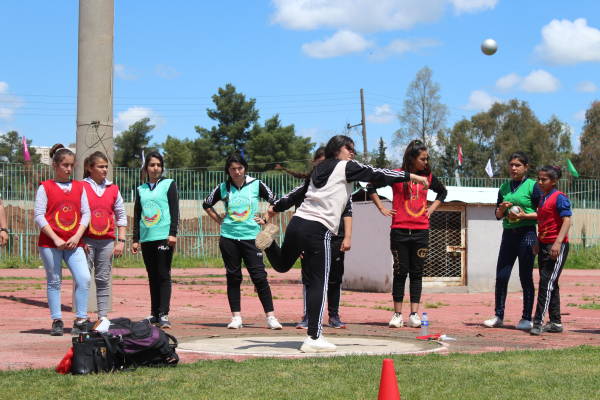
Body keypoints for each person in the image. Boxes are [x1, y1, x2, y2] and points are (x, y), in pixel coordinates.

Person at [258, 135, 429, 352]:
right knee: (319, 283)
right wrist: (412, 176)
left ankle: (268, 241)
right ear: (337, 149)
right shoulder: (346, 166)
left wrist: (276, 207)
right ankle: (314, 337)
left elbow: (297, 194)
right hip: (318, 229)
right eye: (349, 148)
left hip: (297, 224)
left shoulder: (318, 170)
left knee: (282, 265)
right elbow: (377, 173)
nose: (353, 152)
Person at [367, 139, 447, 329]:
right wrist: (381, 208)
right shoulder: (396, 175)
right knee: (400, 272)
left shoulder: (428, 177)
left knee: (417, 273)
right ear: (412, 158)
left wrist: (431, 209)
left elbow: (443, 192)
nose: (426, 162)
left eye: (427, 159)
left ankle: (414, 315)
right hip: (399, 231)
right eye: (422, 159)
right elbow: (370, 186)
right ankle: (397, 315)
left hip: (421, 231)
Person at [203, 152, 283, 330]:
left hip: (251, 238)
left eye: (240, 168)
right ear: (228, 170)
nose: (237, 172)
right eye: (233, 169)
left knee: (259, 277)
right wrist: (219, 220)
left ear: (245, 168)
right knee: (233, 277)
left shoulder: (256, 184)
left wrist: (265, 218)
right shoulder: (223, 187)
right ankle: (236, 317)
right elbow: (206, 204)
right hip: (228, 238)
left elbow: (276, 201)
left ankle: (271, 317)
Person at [276, 147, 352, 329]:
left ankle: (334, 316)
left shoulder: (341, 185)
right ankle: (309, 317)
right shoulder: (307, 185)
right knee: (311, 279)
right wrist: (269, 212)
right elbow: (284, 202)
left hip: (334, 237)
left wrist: (347, 237)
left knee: (334, 278)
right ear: (314, 163)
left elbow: (348, 211)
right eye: (321, 162)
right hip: (311, 238)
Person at [34, 144, 91, 336]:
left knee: (84, 278)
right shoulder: (45, 187)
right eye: (65, 165)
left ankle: (81, 320)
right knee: (54, 281)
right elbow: (39, 215)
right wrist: (56, 238)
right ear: (55, 165)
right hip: (50, 243)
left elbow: (86, 213)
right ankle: (56, 320)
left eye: (71, 165)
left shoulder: (80, 187)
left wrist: (77, 236)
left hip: (74, 243)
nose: (68, 169)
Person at [483, 152, 541, 330]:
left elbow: (543, 213)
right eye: (511, 165)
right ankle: (498, 316)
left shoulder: (533, 186)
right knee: (502, 276)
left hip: (527, 234)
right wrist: (501, 208)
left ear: (526, 167)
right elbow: (497, 215)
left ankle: (526, 318)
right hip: (509, 235)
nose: (514, 168)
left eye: (518, 165)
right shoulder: (504, 187)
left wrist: (524, 216)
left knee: (525, 277)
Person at [131, 151, 179, 329]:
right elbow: (137, 214)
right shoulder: (141, 189)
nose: (155, 168)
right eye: (152, 165)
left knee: (163, 274)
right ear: (146, 168)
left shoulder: (169, 184)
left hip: (164, 237)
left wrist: (172, 233)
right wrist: (136, 239)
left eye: (158, 165)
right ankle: (154, 314)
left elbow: (174, 210)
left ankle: (164, 313)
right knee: (152, 276)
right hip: (146, 238)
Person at [82, 151, 127, 321]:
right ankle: (82, 317)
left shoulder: (113, 188)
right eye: (101, 166)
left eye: (106, 166)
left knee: (103, 280)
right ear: (90, 168)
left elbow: (121, 215)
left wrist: (121, 241)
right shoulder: (81, 187)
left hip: (107, 242)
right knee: (83, 279)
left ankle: (102, 318)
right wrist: (79, 240)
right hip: (86, 241)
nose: (105, 170)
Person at [529, 166, 572, 335]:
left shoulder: (559, 197)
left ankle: (538, 322)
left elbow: (567, 221)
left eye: (544, 179)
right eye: (538, 179)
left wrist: (557, 243)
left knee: (546, 283)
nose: (540, 182)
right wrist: (538, 241)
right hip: (543, 245)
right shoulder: (542, 198)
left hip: (556, 246)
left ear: (554, 181)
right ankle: (555, 323)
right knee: (550, 283)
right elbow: (542, 222)